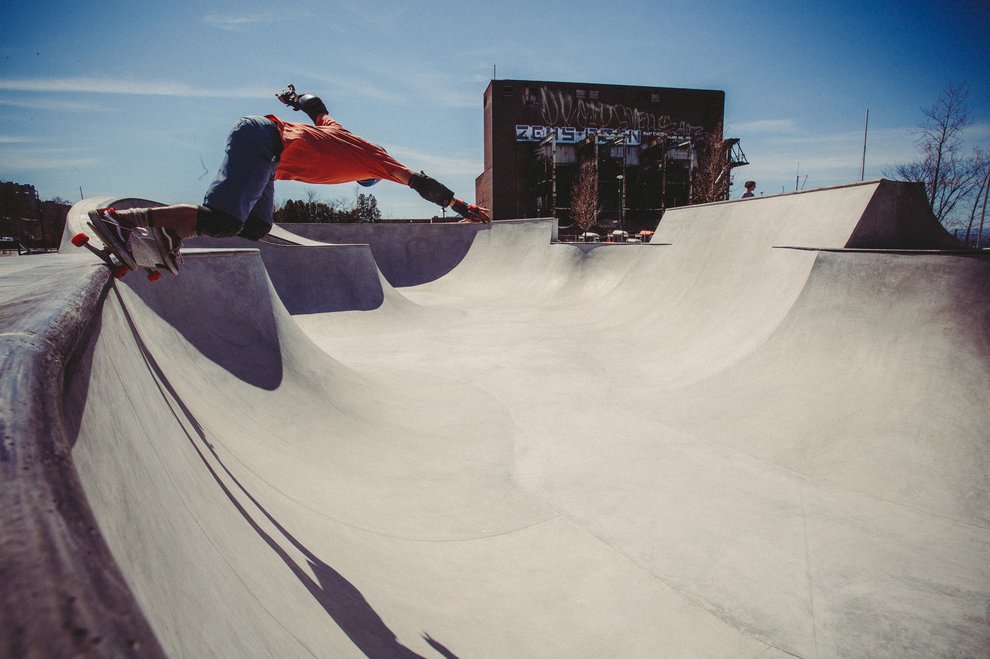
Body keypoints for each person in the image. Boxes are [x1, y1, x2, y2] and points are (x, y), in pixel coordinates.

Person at [89, 84, 490, 272]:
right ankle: (123, 220)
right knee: (224, 219)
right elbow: (420, 182)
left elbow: (318, 108)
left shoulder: (339, 131)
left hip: (267, 153)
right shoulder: (377, 161)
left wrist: (295, 99)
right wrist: (460, 206)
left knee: (256, 226)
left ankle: (171, 235)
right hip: (265, 139)